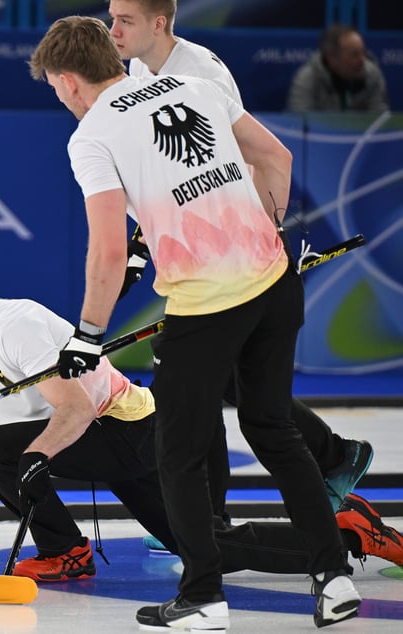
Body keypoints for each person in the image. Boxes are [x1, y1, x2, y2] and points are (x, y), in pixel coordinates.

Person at [0, 243, 403, 593]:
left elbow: (79, 407)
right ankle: (346, 535)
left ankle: (64, 551)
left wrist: (38, 457)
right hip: (103, 440)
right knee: (207, 550)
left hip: (127, 427)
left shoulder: (14, 327)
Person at [30, 16, 360, 630]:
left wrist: (88, 335)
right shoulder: (191, 86)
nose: (60, 99)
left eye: (54, 88)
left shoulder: (91, 136)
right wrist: (267, 231)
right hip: (275, 284)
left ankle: (203, 598)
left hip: (206, 306)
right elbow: (276, 157)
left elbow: (104, 250)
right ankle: (333, 576)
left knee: (176, 452)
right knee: (274, 430)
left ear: (70, 81)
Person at [107, 0, 373, 539]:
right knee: (221, 381)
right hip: (195, 255)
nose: (112, 31)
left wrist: (264, 241)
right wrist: (141, 241)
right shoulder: (139, 69)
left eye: (124, 20)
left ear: (159, 23)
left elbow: (244, 162)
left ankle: (212, 514)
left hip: (233, 258)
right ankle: (321, 460)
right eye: (111, 18)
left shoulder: (201, 72)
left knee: (204, 382)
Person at [287, 23, 389, 113]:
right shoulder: (307, 78)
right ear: (332, 58)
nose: (362, 60)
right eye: (354, 55)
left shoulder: (372, 74)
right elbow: (299, 124)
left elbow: (381, 122)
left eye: (362, 52)